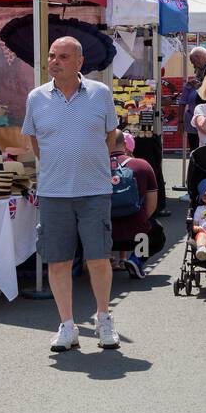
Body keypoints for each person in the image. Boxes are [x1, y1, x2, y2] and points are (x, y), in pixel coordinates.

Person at [21, 37, 122, 352]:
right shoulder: (36, 98)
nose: (55, 61)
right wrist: (58, 164)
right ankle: (67, 325)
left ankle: (103, 319)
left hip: (94, 191)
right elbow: (35, 142)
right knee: (58, 261)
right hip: (54, 193)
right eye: (52, 55)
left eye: (63, 56)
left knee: (98, 259)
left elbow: (110, 135)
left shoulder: (100, 94)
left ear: (79, 62)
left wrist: (88, 164)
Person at [109, 131, 159, 279]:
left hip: (104, 235)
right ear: (125, 145)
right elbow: (152, 206)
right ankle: (137, 259)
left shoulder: (95, 166)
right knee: (157, 232)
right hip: (136, 233)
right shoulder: (142, 165)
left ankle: (98, 261)